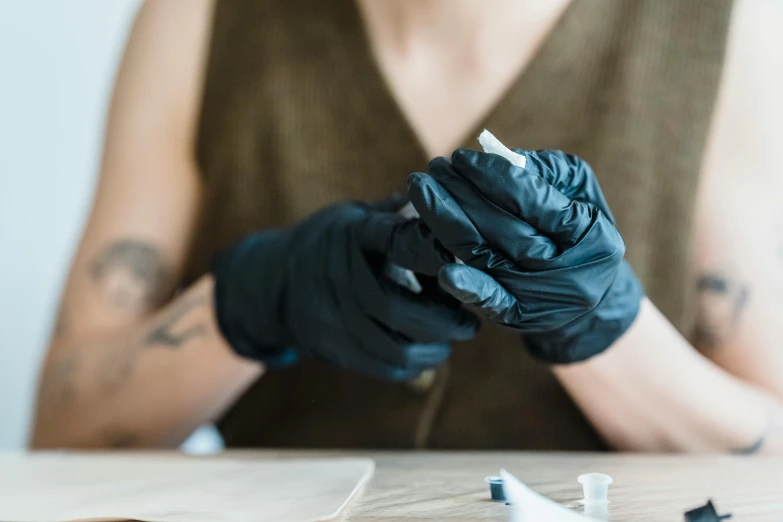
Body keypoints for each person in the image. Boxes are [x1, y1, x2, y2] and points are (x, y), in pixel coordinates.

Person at [32, 0, 783, 453]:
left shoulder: (710, 25)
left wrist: (605, 330)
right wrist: (256, 302)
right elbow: (63, 429)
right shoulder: (202, 19)